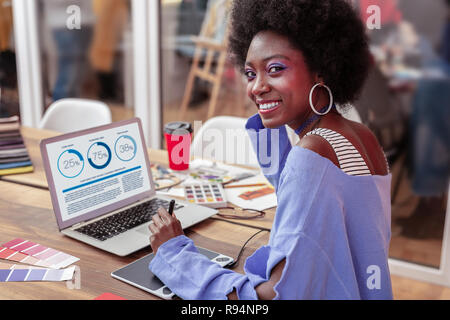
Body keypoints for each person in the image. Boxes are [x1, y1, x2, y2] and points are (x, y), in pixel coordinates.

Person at [148, 0, 392, 300]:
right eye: (251, 73)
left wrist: (175, 254)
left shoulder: (311, 156)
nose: (256, 87)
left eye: (275, 69)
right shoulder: (361, 138)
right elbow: (316, 207)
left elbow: (271, 296)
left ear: (321, 69)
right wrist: (275, 118)